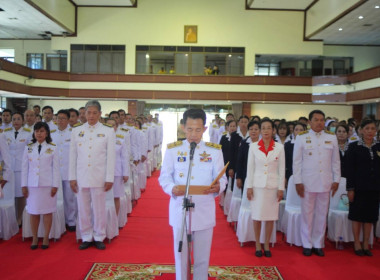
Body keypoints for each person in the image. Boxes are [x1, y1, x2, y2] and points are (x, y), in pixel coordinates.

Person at [159, 108, 227, 280]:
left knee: (202, 258)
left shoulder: (214, 150)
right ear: (183, 127)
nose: (193, 134)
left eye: (198, 130)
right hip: (180, 209)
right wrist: (171, 188)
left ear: (204, 129)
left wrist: (218, 187)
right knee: (181, 256)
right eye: (189, 129)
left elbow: (222, 178)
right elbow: (164, 177)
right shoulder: (173, 150)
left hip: (203, 210)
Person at [293, 110, 340, 257]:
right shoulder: (302, 137)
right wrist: (298, 181)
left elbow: (336, 161)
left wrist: (336, 179)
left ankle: (318, 243)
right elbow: (297, 162)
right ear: (309, 122)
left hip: (325, 182)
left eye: (322, 120)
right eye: (316, 120)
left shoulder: (331, 138)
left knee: (321, 214)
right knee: (307, 214)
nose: (319, 122)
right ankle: (307, 243)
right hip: (307, 182)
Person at [69, 100, 115, 250]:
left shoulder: (108, 131)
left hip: (99, 177)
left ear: (100, 114)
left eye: (95, 113)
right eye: (89, 112)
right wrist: (72, 177)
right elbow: (73, 156)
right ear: (84, 113)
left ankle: (99, 235)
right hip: (81, 176)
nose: (91, 115)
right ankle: (86, 236)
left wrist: (109, 178)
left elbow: (110, 157)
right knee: (83, 208)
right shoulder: (76, 130)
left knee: (99, 208)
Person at [246, 118, 285, 257]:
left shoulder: (279, 147)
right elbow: (250, 169)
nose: (266, 131)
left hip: (273, 187)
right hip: (257, 186)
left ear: (273, 130)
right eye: (263, 128)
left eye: (269, 128)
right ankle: (257, 244)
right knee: (257, 216)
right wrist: (249, 187)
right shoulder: (253, 146)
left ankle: (267, 244)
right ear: (261, 130)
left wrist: (281, 188)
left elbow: (282, 170)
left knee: (270, 217)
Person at [21, 122, 60, 250]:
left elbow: (56, 169)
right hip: (32, 186)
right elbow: (24, 168)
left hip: (47, 185)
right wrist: (24, 185)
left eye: (42, 131)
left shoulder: (53, 147)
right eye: (37, 131)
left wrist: (55, 185)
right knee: (34, 212)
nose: (39, 133)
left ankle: (45, 238)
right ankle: (34, 237)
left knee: (48, 212)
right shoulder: (29, 148)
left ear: (47, 133)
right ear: (34, 133)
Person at [345, 118, 380, 257]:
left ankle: (366, 243)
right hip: (358, 187)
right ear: (361, 130)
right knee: (357, 216)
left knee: (370, 217)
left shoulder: (379, 146)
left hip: (375, 188)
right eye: (367, 129)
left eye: (373, 129)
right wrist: (350, 188)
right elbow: (350, 170)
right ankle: (357, 243)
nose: (370, 132)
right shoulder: (354, 147)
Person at [4, 112, 33, 226]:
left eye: (18, 119)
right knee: (10, 194)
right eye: (14, 119)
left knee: (21, 194)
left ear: (23, 121)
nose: (16, 121)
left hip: (22, 168)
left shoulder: (28, 134)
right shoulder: (5, 134)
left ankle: (20, 218)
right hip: (9, 168)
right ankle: (11, 218)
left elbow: (31, 151)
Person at [51, 110, 77, 232]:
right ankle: (58, 222)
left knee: (69, 198)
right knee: (55, 198)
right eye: (58, 118)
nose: (60, 120)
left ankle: (71, 221)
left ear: (68, 120)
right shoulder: (50, 134)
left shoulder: (73, 134)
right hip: (54, 172)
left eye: (63, 118)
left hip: (68, 171)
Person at [106, 118, 129, 217]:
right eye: (108, 125)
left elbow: (124, 157)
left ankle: (114, 221)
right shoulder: (99, 139)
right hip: (103, 173)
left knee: (116, 197)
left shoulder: (120, 140)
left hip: (117, 173)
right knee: (104, 198)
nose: (111, 127)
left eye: (113, 125)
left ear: (116, 127)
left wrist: (125, 173)